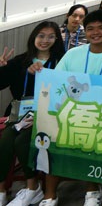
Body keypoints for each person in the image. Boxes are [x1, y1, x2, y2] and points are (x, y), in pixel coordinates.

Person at [45, 9, 102, 206]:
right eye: (90, 29)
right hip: (73, 112)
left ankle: (92, 190)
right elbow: (56, 82)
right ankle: (49, 195)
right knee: (49, 135)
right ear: (85, 32)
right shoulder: (72, 54)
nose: (96, 33)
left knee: (92, 132)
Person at [0, 22, 64, 206]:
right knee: (5, 141)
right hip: (20, 113)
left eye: (50, 36)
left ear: (57, 39)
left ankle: (32, 186)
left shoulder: (61, 61)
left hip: (49, 115)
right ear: (33, 37)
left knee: (21, 142)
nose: (45, 40)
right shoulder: (20, 60)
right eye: (41, 35)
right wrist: (1, 68)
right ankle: (2, 190)